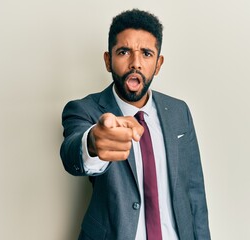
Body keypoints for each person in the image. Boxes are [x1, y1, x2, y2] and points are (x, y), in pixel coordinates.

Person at [60, 9, 211, 240]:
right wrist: (93, 142)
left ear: (158, 64)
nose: (135, 63)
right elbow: (72, 153)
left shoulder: (180, 112)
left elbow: (194, 193)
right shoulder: (84, 110)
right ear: (108, 61)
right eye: (124, 52)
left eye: (147, 54)